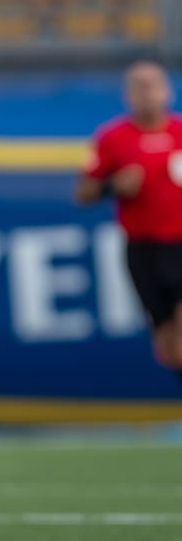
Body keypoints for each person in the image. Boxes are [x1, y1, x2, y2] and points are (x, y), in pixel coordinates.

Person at [76, 61, 182, 387]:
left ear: (168, 91)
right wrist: (112, 186)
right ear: (128, 95)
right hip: (143, 250)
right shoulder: (113, 138)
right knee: (168, 345)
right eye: (139, 86)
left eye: (153, 85)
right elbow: (83, 192)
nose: (147, 93)